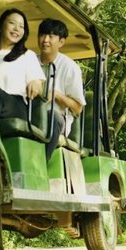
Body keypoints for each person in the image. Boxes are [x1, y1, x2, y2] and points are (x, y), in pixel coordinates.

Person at [37, 18, 85, 160]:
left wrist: (57, 95)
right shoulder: (29, 60)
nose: (45, 40)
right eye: (42, 35)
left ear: (61, 42)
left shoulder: (70, 67)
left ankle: (42, 165)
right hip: (31, 113)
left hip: (55, 119)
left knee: (52, 116)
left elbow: (78, 108)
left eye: (51, 36)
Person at [0, 8, 45, 124]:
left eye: (21, 26)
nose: (17, 29)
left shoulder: (27, 55)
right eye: (12, 23)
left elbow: (39, 85)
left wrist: (35, 83)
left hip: (15, 105)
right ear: (0, 27)